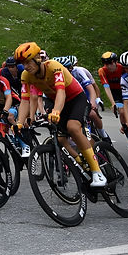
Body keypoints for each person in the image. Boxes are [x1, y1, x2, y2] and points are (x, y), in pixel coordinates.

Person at [13, 42, 106, 187]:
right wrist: (20, 121)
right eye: (23, 64)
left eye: (27, 62)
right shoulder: (26, 75)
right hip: (55, 100)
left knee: (73, 127)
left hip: (76, 98)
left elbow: (61, 92)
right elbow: (25, 100)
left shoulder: (54, 66)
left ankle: (97, 172)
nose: (26, 66)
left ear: (38, 58)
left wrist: (56, 111)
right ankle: (81, 162)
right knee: (60, 138)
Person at [97, 52, 128, 149]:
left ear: (115, 62)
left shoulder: (122, 68)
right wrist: (113, 103)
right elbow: (106, 87)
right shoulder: (102, 71)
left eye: (110, 63)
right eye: (106, 64)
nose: (108, 66)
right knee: (121, 111)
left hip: (126, 88)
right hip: (114, 93)